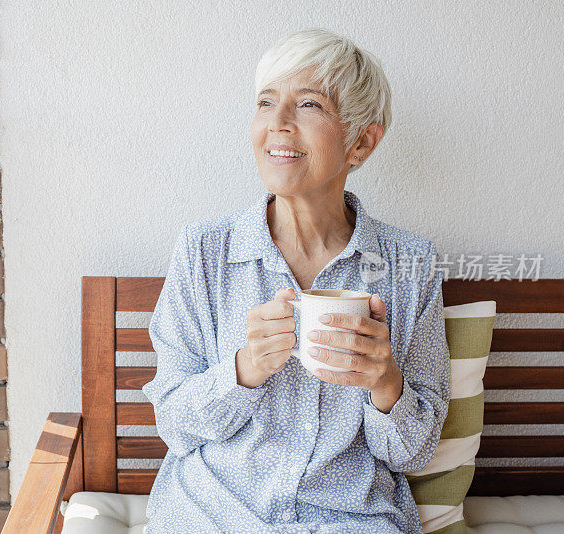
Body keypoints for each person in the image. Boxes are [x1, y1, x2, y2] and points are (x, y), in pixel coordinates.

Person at [142, 27, 450, 533]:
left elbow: (411, 454)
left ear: (362, 142)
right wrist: (242, 369)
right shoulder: (204, 251)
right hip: (213, 516)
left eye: (308, 105)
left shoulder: (408, 263)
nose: (277, 124)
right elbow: (174, 425)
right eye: (266, 102)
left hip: (348, 520)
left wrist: (385, 381)